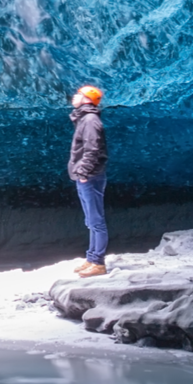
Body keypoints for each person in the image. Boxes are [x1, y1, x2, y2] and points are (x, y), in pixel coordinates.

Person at [68, 85, 110, 277]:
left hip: (90, 177)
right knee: (91, 220)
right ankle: (91, 257)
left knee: (96, 221)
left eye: (78, 94)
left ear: (86, 98)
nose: (74, 97)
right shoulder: (84, 118)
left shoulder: (91, 120)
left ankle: (98, 263)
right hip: (85, 176)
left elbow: (92, 150)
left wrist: (83, 172)